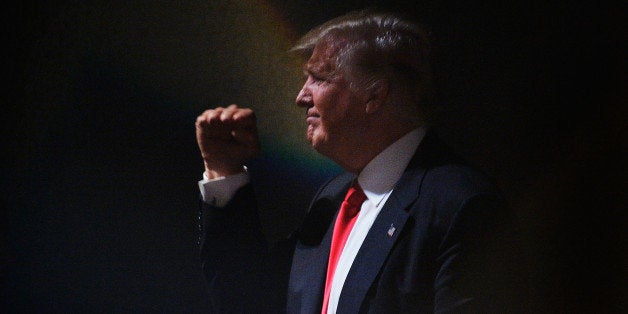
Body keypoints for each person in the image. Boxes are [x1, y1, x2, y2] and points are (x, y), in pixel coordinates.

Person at [195, 10, 528, 313]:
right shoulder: (333, 200)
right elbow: (247, 298)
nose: (301, 96)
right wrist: (224, 172)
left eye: (319, 78)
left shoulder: (460, 205)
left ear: (374, 96)